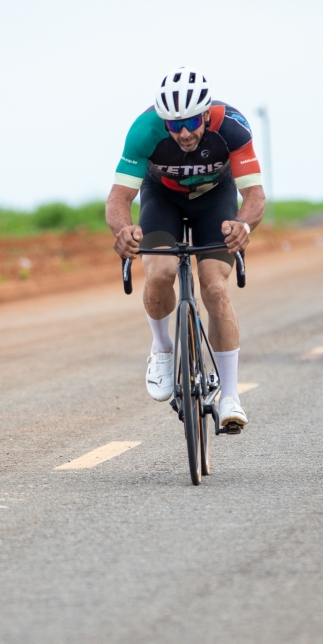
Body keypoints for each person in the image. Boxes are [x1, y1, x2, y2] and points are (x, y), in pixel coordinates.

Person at [105, 67, 265, 431]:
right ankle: (162, 347)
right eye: (175, 125)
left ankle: (230, 396)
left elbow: (254, 196)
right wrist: (123, 230)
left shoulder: (232, 127)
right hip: (163, 199)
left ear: (206, 114)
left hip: (215, 200)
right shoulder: (144, 130)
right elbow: (118, 198)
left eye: (192, 122)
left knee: (215, 287)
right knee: (160, 272)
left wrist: (242, 225)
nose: (184, 133)